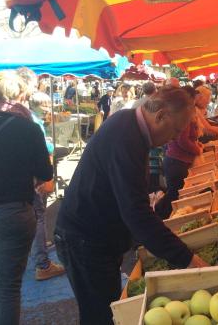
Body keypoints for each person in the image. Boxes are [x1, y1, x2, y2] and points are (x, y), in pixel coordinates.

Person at [54, 86, 208, 325]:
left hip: (97, 238)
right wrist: (186, 259)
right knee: (101, 316)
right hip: (85, 241)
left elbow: (129, 198)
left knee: (106, 310)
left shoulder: (129, 125)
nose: (176, 138)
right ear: (160, 116)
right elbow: (135, 212)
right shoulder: (126, 137)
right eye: (176, 130)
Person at [0, 71, 53, 325]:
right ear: (21, 96)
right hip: (14, 212)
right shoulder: (29, 127)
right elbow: (45, 173)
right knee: (8, 286)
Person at [29, 92, 66, 281]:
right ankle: (43, 263)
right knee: (40, 217)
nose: (47, 110)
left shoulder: (30, 119)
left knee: (37, 217)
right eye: (44, 106)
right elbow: (43, 151)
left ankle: (40, 246)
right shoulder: (33, 123)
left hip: (27, 179)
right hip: (36, 180)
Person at [155, 86, 203, 219]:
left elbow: (187, 139)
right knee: (174, 194)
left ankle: (160, 215)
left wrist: (196, 144)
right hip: (177, 162)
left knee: (174, 193)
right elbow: (182, 140)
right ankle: (160, 215)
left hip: (178, 161)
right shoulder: (184, 115)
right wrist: (197, 149)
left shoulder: (186, 114)